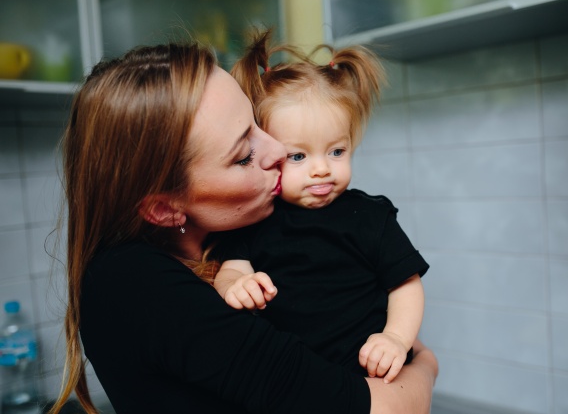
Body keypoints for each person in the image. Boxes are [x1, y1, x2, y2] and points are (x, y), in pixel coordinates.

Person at [49, 42, 437, 414]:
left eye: (255, 123)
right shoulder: (132, 282)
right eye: (243, 155)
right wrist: (424, 364)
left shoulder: (235, 237)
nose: (278, 151)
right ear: (165, 209)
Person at [212, 30, 428, 384]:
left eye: (336, 151)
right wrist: (235, 285)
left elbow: (405, 286)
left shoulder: (371, 217)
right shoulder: (255, 218)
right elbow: (232, 269)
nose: (322, 168)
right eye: (298, 155)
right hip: (294, 382)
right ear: (265, 152)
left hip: (367, 375)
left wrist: (395, 338)